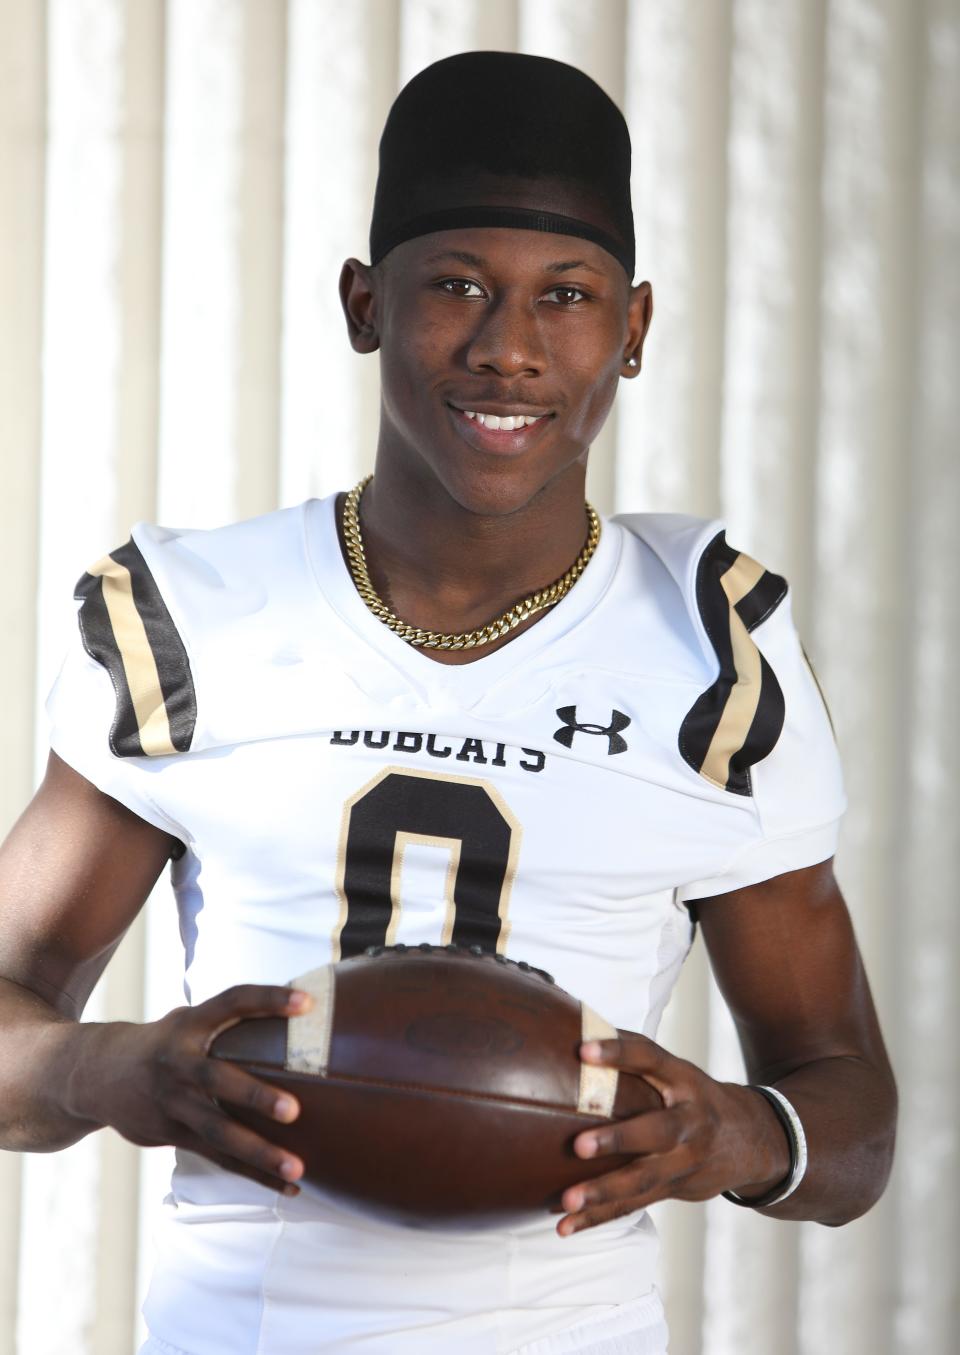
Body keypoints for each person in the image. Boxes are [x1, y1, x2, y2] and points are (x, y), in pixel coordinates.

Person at [0, 51, 896, 1355]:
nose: (508, 349)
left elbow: (852, 1123)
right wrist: (113, 1070)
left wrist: (734, 1135)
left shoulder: (714, 652)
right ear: (366, 303)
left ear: (635, 330)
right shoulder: (196, 612)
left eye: (567, 297)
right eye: (457, 286)